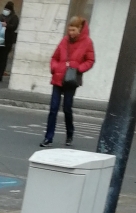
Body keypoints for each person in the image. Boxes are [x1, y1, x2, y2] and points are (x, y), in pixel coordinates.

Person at [41, 16, 95, 147]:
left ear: (80, 29)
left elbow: (90, 60)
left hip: (71, 79)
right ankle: (48, 137)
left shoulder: (87, 42)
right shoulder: (64, 40)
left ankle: (70, 134)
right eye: (69, 30)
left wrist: (78, 69)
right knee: (53, 108)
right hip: (58, 77)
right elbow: (54, 57)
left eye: (73, 30)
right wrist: (54, 67)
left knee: (67, 108)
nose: (70, 33)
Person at [0, 1, 18, 82]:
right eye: (5, 9)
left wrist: (7, 25)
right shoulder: (0, 16)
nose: (6, 10)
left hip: (6, 42)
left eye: (7, 9)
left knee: (3, 58)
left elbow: (14, 27)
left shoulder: (14, 18)